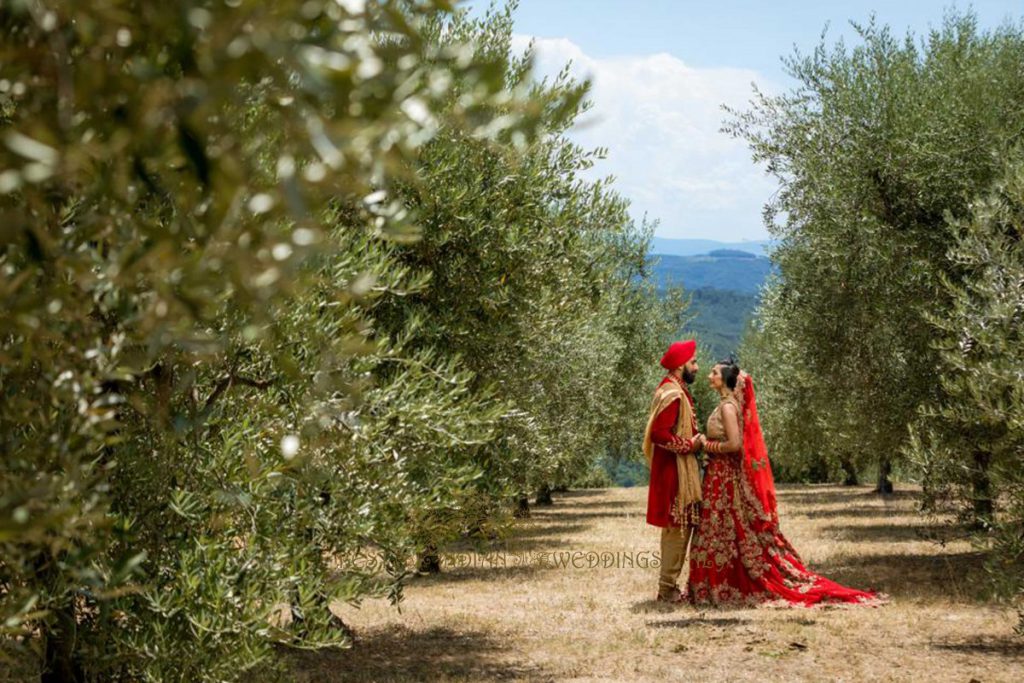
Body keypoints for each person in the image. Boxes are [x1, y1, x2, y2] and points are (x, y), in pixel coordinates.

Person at [686, 357, 887, 607]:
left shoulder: (728, 407)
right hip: (719, 476)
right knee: (723, 530)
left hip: (724, 478)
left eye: (714, 372)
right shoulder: (727, 403)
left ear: (725, 379)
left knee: (726, 529)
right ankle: (717, 585)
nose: (709, 376)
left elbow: (735, 445)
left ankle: (725, 585)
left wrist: (708, 445)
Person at [642, 340, 704, 603]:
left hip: (677, 471)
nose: (697, 368)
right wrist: (690, 445)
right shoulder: (673, 393)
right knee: (676, 530)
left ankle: (669, 587)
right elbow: (658, 434)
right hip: (674, 474)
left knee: (679, 528)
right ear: (680, 365)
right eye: (693, 362)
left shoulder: (675, 389)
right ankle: (667, 589)